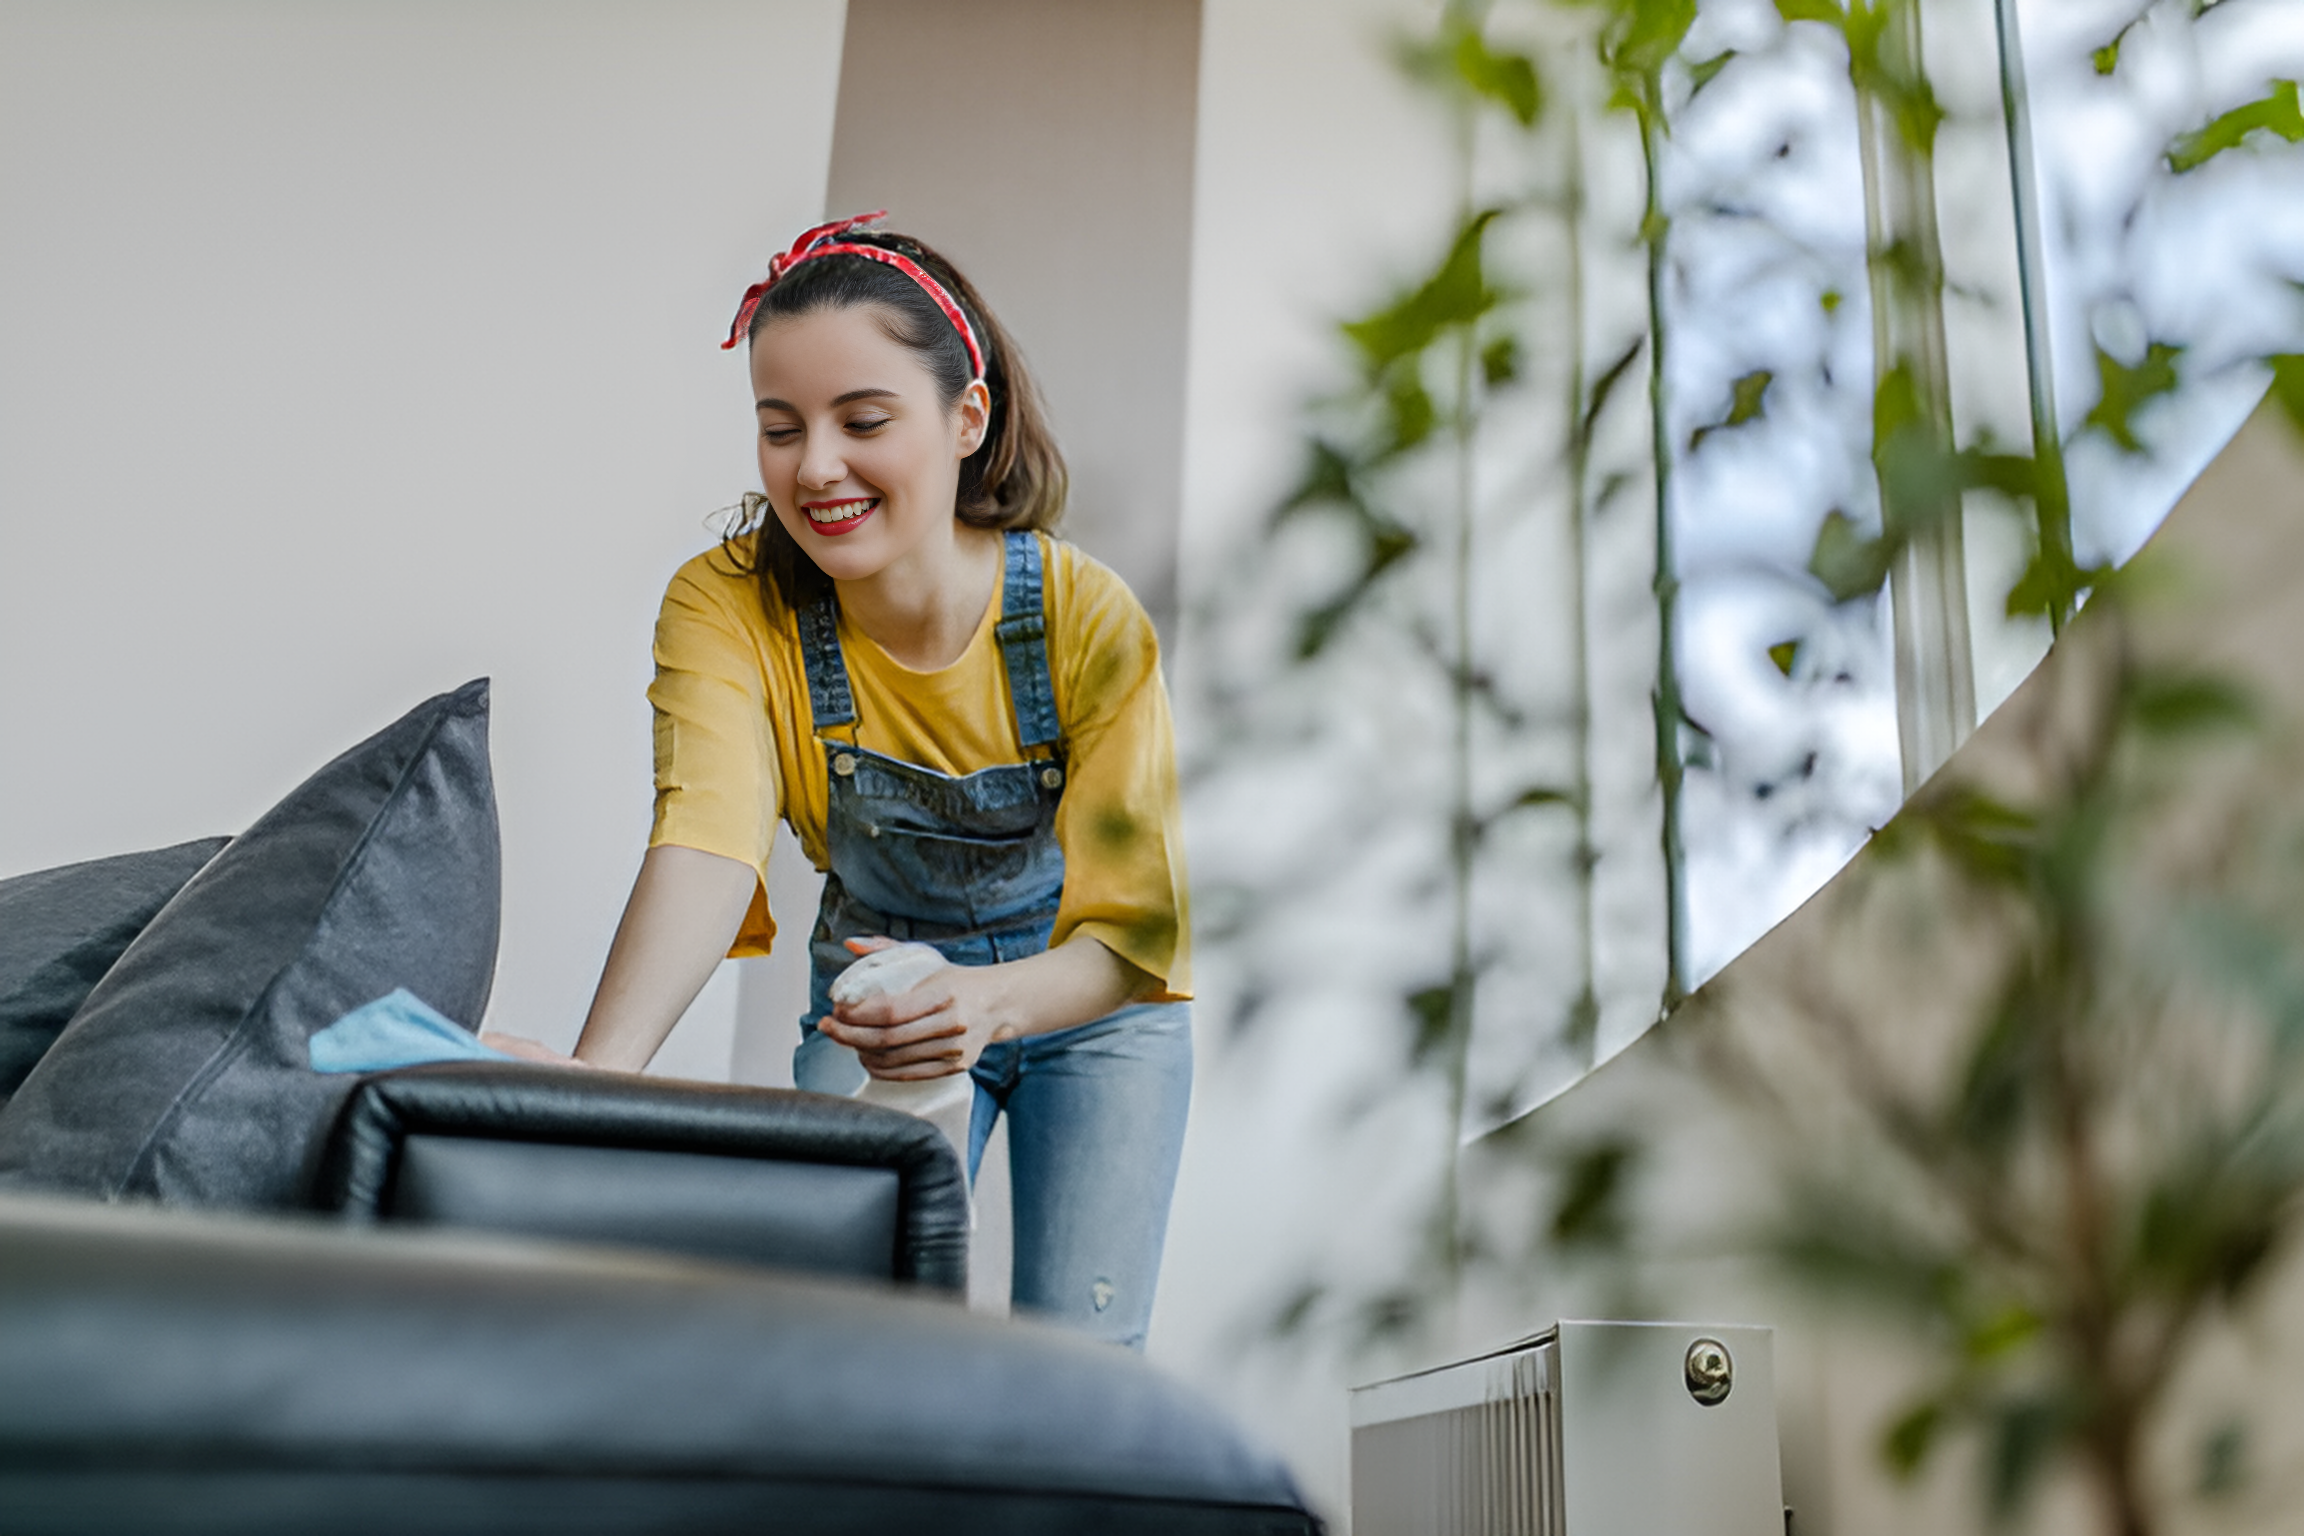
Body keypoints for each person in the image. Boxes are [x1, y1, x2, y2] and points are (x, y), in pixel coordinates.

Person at [565, 213, 1193, 1350]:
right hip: (877, 994)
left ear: (967, 418)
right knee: (840, 1329)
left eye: (863, 421)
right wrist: (589, 1086)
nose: (814, 468)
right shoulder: (727, 609)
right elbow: (706, 846)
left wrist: (989, 1003)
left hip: (1089, 1006)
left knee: (1086, 1365)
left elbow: (1132, 935)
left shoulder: (1084, 617)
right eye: (779, 427)